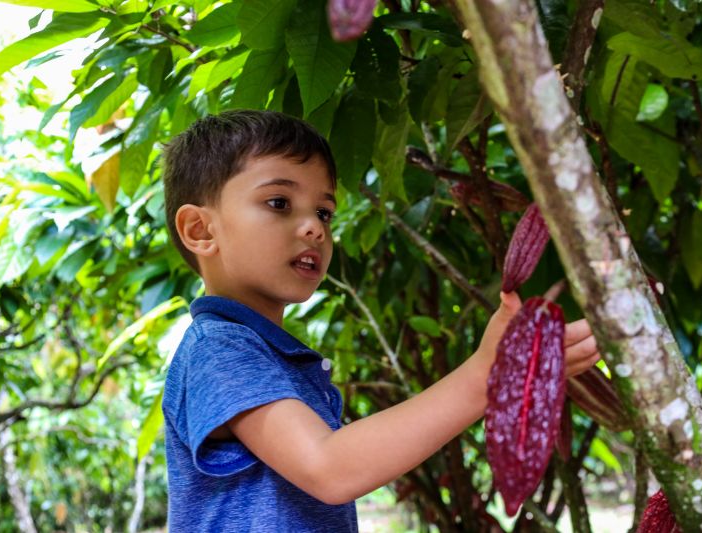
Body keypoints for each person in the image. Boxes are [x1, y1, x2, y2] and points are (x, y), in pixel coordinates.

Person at [161, 109, 601, 532]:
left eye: (324, 212)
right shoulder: (218, 348)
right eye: (279, 202)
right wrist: (486, 375)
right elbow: (328, 467)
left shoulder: (266, 353)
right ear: (201, 231)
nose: (314, 227)